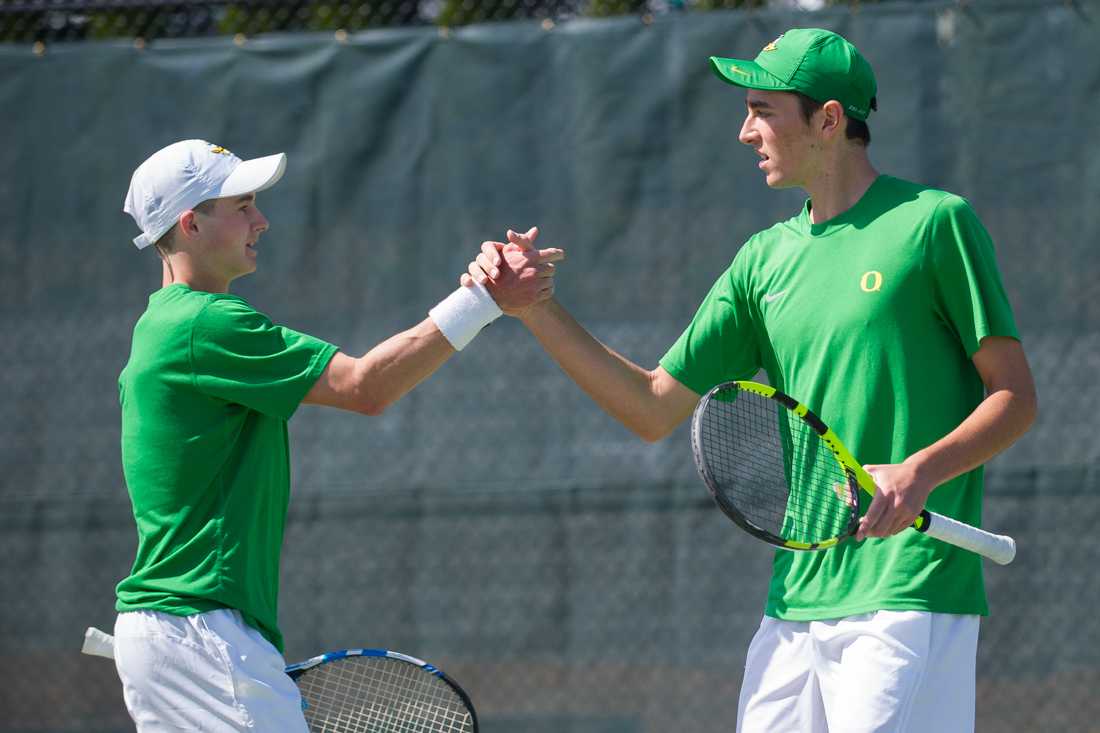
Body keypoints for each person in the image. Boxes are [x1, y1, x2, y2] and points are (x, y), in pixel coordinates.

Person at [464, 29, 1037, 733]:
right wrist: (535, 309)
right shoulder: (760, 263)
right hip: (795, 602)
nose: (745, 132)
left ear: (829, 120)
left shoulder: (934, 225)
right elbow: (648, 407)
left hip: (908, 588)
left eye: (762, 110)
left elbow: (1014, 396)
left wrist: (918, 472)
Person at [114, 139, 563, 732]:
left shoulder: (160, 326)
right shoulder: (205, 323)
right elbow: (365, 387)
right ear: (191, 224)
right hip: (200, 629)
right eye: (243, 206)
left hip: (173, 631)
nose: (262, 220)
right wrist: (483, 299)